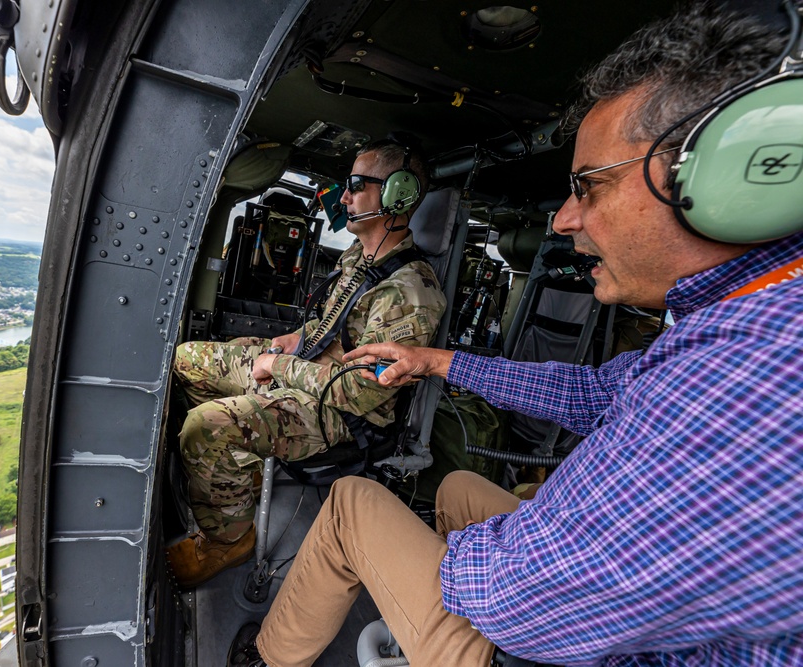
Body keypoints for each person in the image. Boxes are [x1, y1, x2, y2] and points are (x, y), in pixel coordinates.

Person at [227, 5, 803, 666]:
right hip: (566, 607)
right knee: (452, 491)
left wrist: (502, 540)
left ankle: (266, 658)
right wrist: (437, 360)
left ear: (725, 177)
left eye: (589, 186)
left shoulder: (752, 380)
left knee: (354, 503)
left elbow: (513, 598)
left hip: (537, 636)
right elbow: (594, 391)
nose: (563, 219)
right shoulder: (735, 320)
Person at [168, 139, 447, 587]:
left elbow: (359, 392)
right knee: (189, 360)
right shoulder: (361, 258)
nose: (344, 197)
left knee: (207, 427)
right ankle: (234, 483)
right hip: (310, 372)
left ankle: (229, 540)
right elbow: (328, 323)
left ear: (397, 194)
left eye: (356, 185)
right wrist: (292, 341)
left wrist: (275, 368)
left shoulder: (410, 291)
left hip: (340, 414)